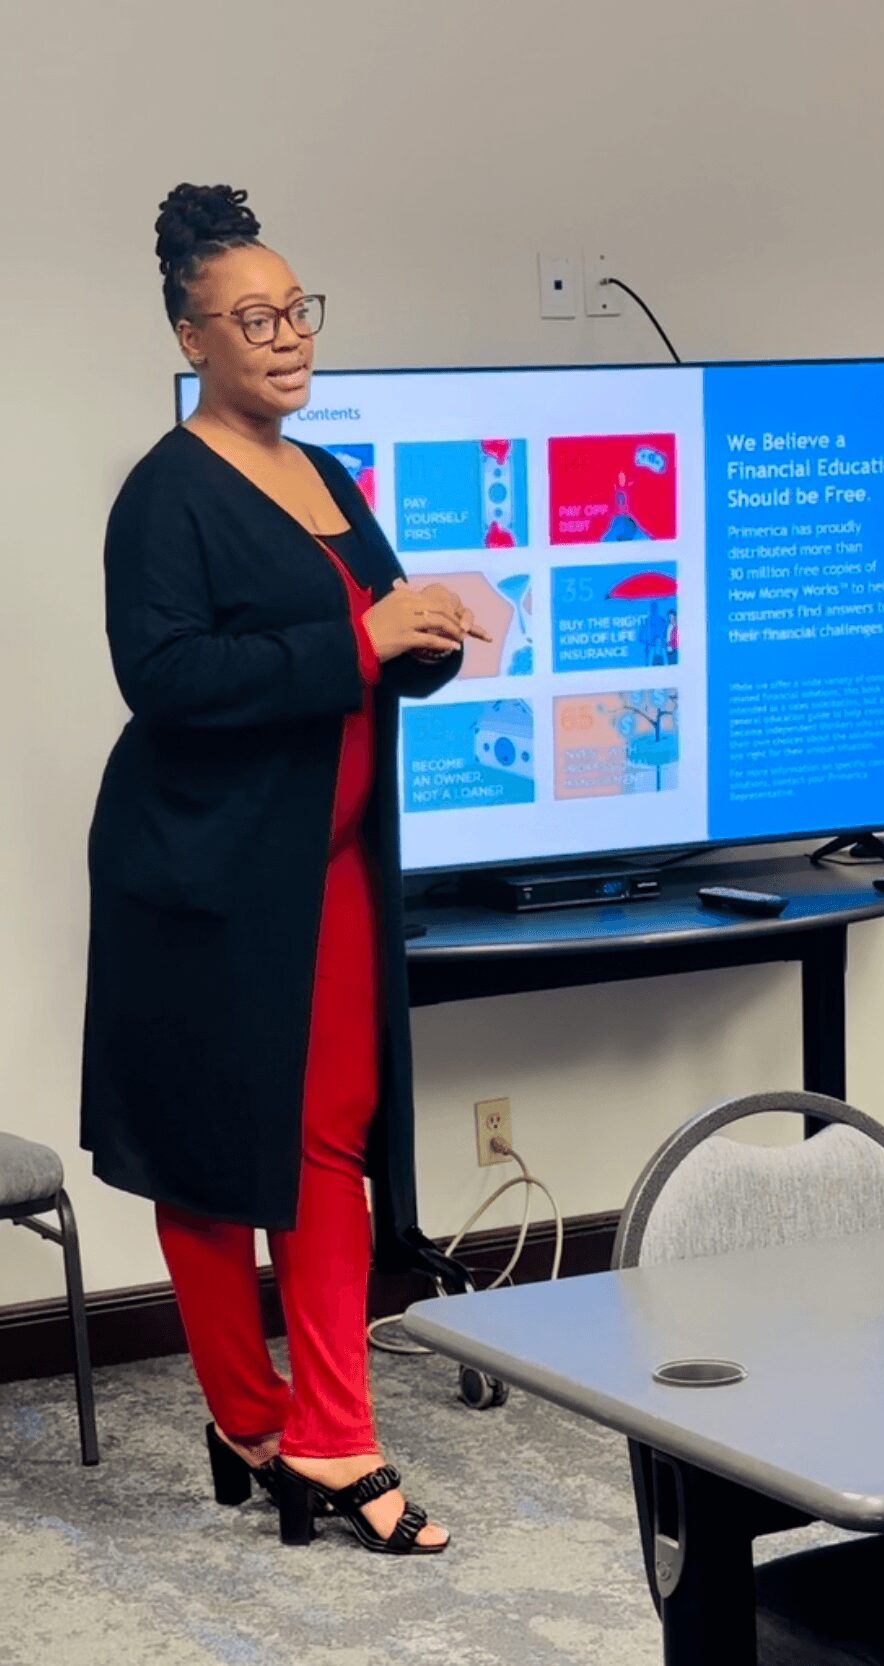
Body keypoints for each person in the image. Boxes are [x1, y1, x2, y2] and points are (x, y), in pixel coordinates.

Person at [80, 183, 491, 1556]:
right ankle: (255, 1419)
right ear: (191, 338)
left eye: (297, 309)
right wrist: (362, 642)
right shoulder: (166, 493)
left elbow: (363, 641)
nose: (287, 336)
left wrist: (424, 639)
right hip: (201, 880)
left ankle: (324, 1426)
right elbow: (167, 678)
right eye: (252, 318)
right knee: (207, 1157)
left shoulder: (325, 475)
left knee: (331, 1137)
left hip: (329, 870)